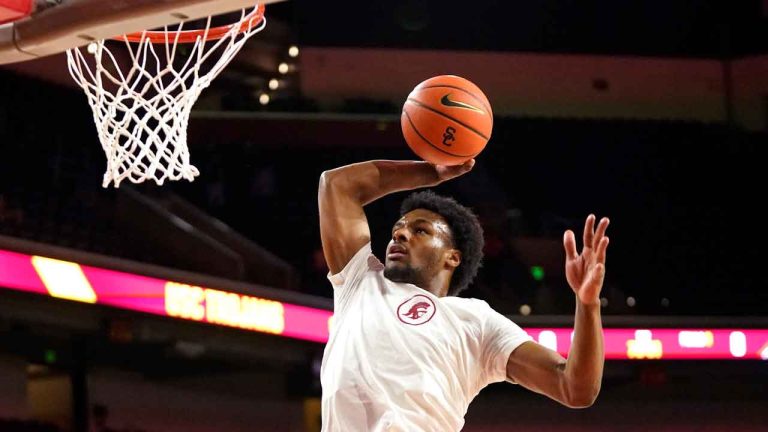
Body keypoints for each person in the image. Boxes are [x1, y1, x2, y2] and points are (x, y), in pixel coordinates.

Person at [318, 159, 609, 431]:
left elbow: (574, 387)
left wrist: (587, 305)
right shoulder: (360, 282)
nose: (400, 235)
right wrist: (432, 173)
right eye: (397, 230)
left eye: (420, 230)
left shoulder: (475, 320)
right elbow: (336, 184)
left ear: (453, 257)